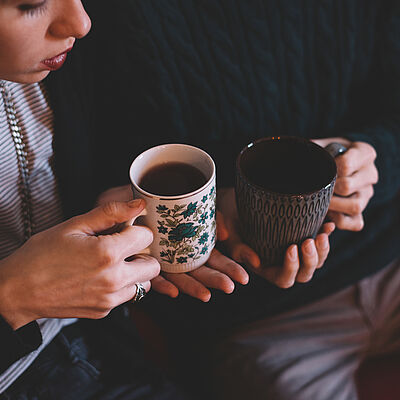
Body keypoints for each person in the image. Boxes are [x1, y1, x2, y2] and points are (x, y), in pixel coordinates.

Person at [94, 1, 398, 399]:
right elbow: (99, 178)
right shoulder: (105, 20)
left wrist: (374, 157)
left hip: (385, 252)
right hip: (248, 315)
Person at [0, 0, 253, 398]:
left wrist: (105, 213)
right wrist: (13, 296)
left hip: (105, 342)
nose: (81, 23)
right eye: (31, 4)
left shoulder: (56, 66)